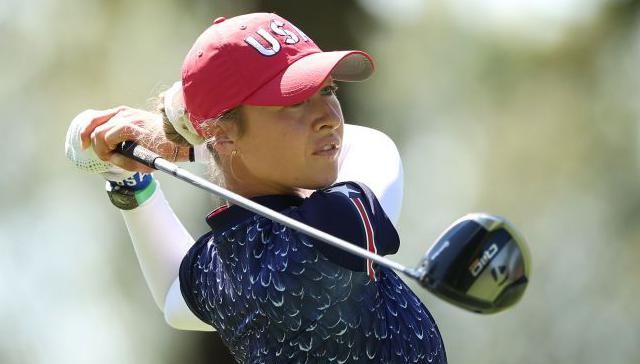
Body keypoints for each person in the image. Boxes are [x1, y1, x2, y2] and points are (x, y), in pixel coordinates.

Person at [66, 12, 447, 363]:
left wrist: (130, 183)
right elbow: (374, 146)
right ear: (222, 132)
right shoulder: (326, 233)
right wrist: (185, 146)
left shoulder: (221, 263)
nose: (328, 119)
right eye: (295, 100)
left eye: (328, 90)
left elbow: (173, 297)